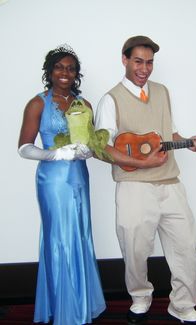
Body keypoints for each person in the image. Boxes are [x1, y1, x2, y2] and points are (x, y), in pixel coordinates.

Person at [95, 36, 196, 324]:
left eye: (149, 62)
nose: (144, 68)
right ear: (124, 60)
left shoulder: (162, 92)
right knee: (134, 248)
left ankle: (183, 306)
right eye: (138, 61)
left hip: (170, 183)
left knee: (185, 246)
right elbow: (101, 148)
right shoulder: (110, 99)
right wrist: (141, 162)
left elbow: (168, 134)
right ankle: (139, 298)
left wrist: (189, 142)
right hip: (133, 187)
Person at [18, 44, 106, 325]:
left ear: (77, 73)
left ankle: (80, 303)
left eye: (70, 68)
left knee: (81, 236)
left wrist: (87, 151)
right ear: (50, 71)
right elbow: (23, 148)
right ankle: (63, 308)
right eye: (59, 67)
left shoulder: (85, 105)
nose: (65, 73)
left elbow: (92, 145)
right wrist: (55, 153)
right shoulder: (37, 103)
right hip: (53, 180)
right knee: (59, 240)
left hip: (79, 176)